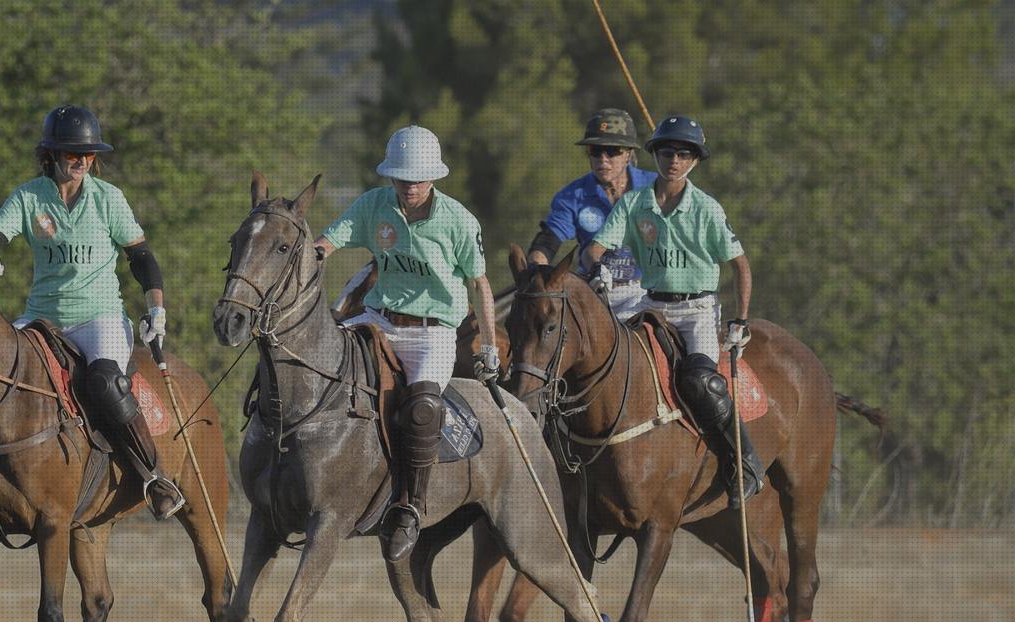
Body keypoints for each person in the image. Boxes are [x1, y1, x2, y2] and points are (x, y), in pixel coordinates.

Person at [0, 104, 184, 520]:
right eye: (72, 154)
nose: (81, 162)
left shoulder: (108, 199)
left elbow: (141, 258)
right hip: (41, 317)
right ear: (51, 156)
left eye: (87, 155)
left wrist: (156, 308)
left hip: (99, 317)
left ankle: (153, 476)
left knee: (104, 381)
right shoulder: (29, 197)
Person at [314, 125, 500, 562]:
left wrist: (489, 346)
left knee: (422, 408)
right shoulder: (374, 205)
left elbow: (480, 285)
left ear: (433, 177)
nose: (409, 186)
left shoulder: (458, 220)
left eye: (417, 178)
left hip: (432, 332)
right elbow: (328, 242)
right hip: (378, 319)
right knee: (317, 364)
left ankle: (409, 509)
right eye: (401, 177)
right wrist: (302, 254)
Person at [584, 115, 765, 508]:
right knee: (618, 366)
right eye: (668, 152)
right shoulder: (634, 203)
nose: (675, 160)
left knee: (702, 382)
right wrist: (597, 267)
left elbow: (741, 266)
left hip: (697, 309)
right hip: (650, 303)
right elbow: (596, 247)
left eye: (684, 154)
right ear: (654, 155)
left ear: (695, 161)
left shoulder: (707, 209)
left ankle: (745, 461)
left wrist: (741, 319)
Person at [527, 108, 657, 319]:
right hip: (592, 291)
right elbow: (547, 242)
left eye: (612, 150)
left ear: (628, 154)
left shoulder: (654, 187)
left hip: (645, 291)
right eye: (595, 151)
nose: (603, 159)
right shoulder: (573, 195)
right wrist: (537, 272)